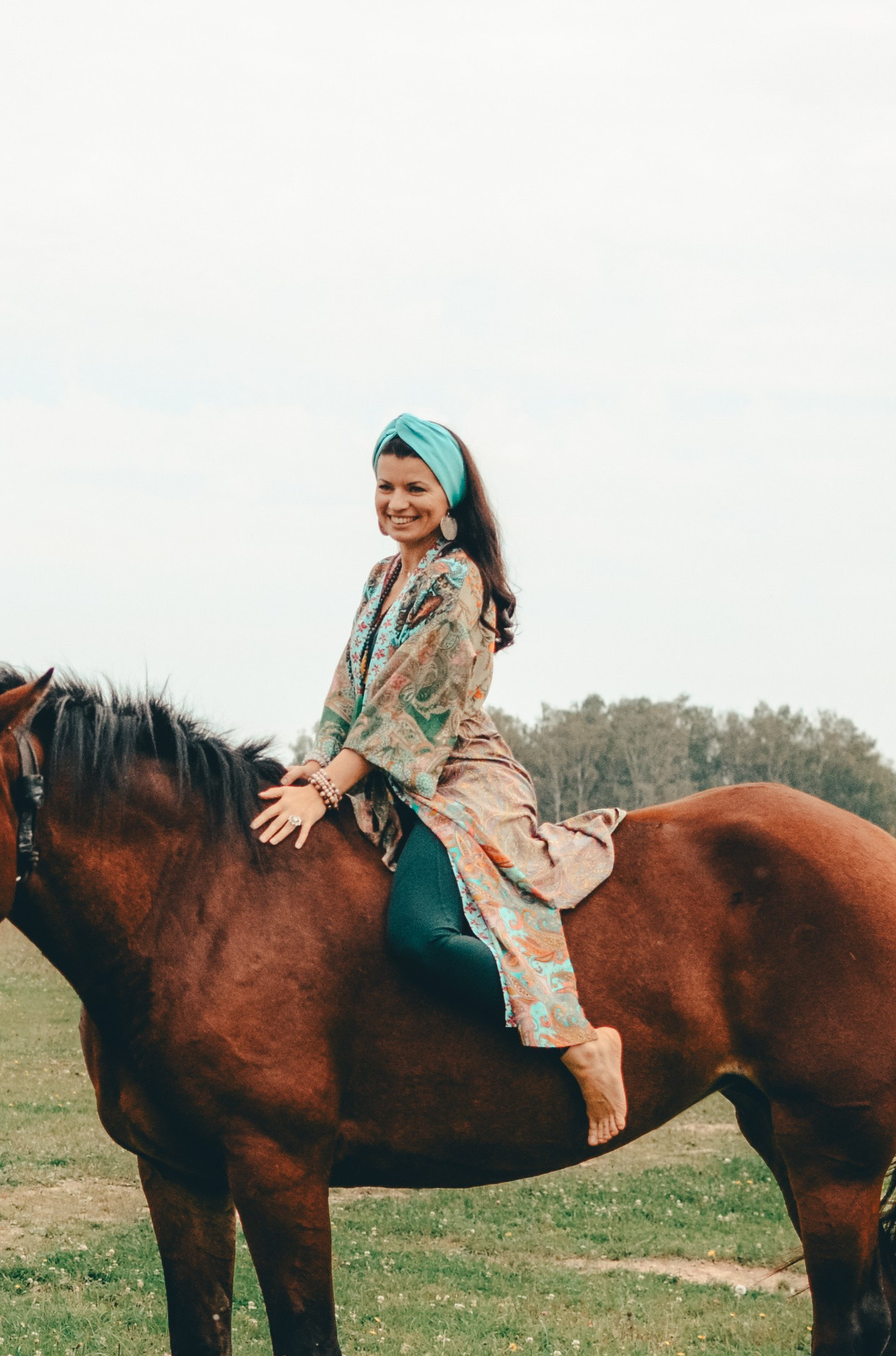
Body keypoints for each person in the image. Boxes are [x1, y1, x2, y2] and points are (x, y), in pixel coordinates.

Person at [250, 413, 631, 1144]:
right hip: (387, 775)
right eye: (384, 486)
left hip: (458, 777)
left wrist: (330, 788)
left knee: (418, 934)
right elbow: (350, 689)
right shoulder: (383, 576)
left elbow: (407, 705)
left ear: (449, 495)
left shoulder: (456, 580)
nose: (396, 501)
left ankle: (579, 1040)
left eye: (414, 487)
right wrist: (318, 762)